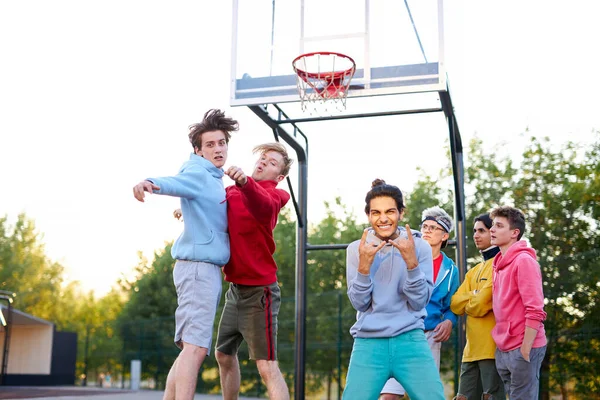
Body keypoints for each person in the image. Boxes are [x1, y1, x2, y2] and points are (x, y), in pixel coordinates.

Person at [133, 109, 239, 400]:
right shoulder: (198, 172)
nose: (218, 149)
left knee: (190, 349)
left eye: (222, 143)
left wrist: (187, 212)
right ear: (198, 150)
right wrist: (149, 183)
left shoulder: (213, 178)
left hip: (201, 269)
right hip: (197, 269)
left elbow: (208, 212)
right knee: (196, 348)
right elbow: (176, 182)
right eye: (210, 144)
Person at [343, 179, 445, 400]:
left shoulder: (420, 247)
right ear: (368, 215)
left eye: (390, 211)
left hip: (410, 340)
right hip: (368, 343)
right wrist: (363, 266)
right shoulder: (356, 249)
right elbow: (359, 303)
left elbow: (419, 302)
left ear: (401, 212)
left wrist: (411, 263)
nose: (383, 218)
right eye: (375, 212)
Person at [215, 142, 293, 400]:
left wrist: (246, 183)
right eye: (263, 158)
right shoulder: (233, 191)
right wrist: (188, 211)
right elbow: (214, 212)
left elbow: (262, 206)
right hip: (235, 290)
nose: (263, 162)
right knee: (223, 354)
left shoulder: (276, 195)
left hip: (261, 293)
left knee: (266, 365)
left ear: (279, 176)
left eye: (271, 162)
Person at [380, 206, 459, 399]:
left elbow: (453, 306)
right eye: (425, 226)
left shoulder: (451, 270)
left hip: (429, 336)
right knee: (388, 395)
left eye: (433, 228)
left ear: (445, 236)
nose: (427, 231)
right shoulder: (403, 256)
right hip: (400, 332)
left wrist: (449, 321)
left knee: (427, 395)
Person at [490, 206, 547, 399]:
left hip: (524, 346)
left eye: (499, 225)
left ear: (515, 233)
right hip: (504, 348)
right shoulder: (498, 264)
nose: (492, 229)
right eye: (492, 225)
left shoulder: (524, 261)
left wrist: (525, 349)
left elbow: (536, 309)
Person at [450, 213, 505, 400]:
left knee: (491, 397)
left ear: (494, 232)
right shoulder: (473, 271)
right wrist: (473, 296)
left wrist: (470, 299)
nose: (476, 235)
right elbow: (455, 304)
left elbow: (481, 305)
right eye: (474, 231)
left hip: (491, 349)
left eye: (482, 230)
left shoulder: (500, 265)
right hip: (470, 351)